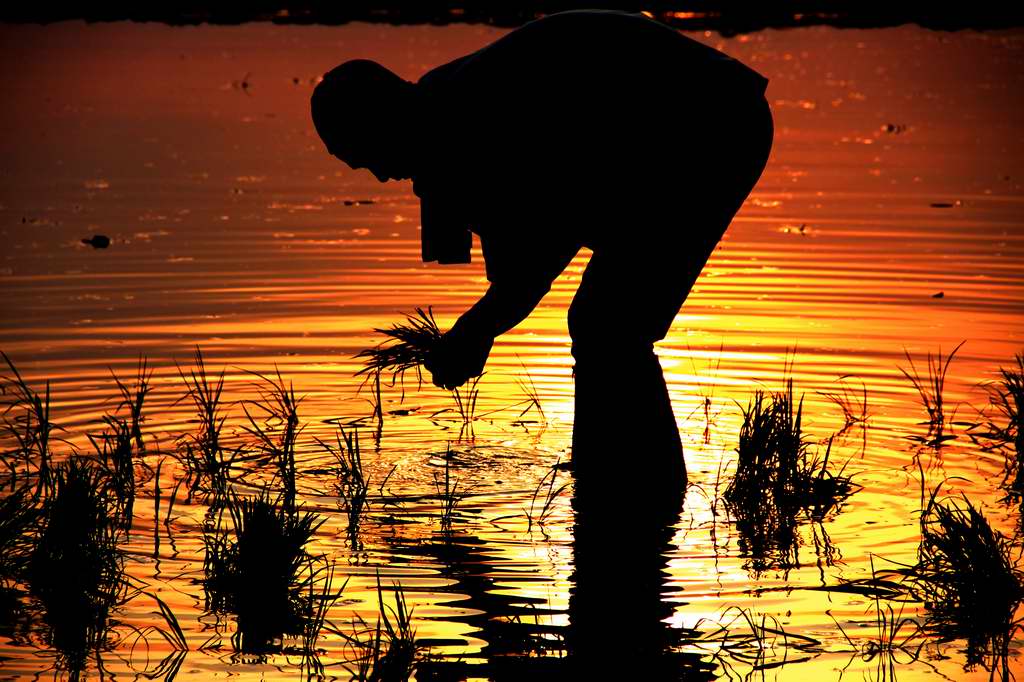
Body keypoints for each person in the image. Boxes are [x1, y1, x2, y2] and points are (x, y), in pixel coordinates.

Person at [311, 9, 773, 487]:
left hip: (710, 124)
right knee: (604, 322)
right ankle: (609, 474)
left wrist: (474, 332)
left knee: (610, 324)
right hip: (640, 141)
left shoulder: (467, 120)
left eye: (367, 156)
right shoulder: (435, 119)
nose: (381, 176)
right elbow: (512, 251)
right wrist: (475, 328)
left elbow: (532, 263)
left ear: (384, 117)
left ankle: (642, 483)